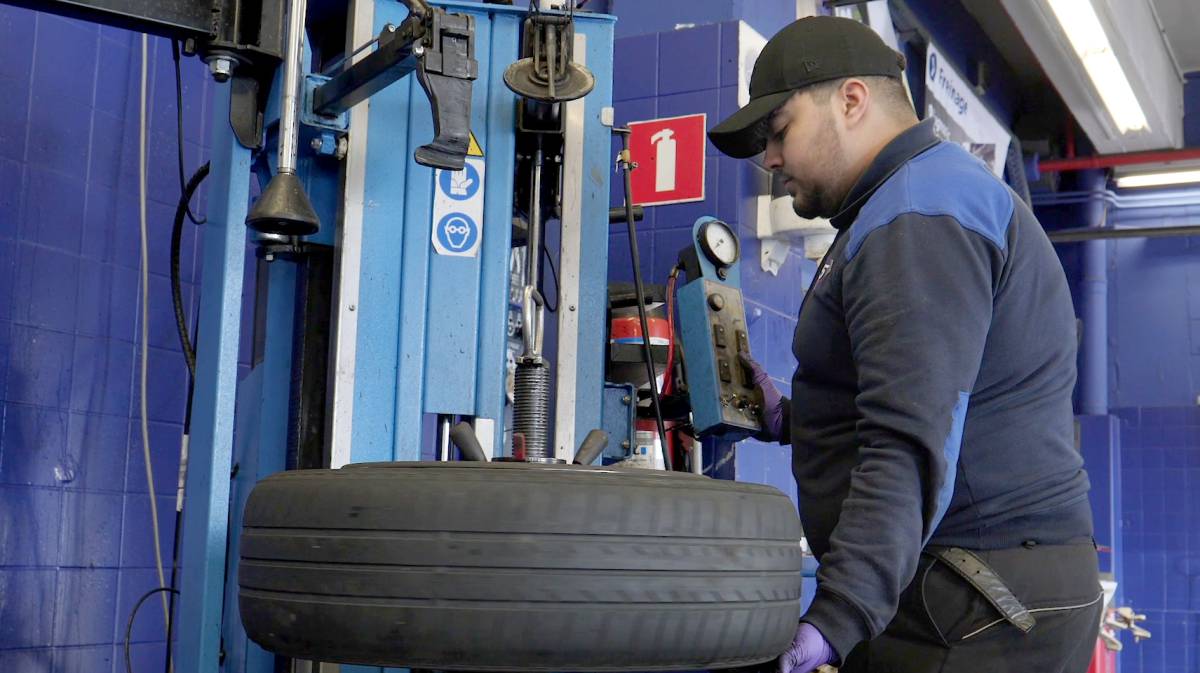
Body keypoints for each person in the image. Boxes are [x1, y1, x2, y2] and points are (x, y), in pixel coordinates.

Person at [708, 15, 1103, 673]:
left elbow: (909, 441)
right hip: (993, 585)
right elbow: (943, 396)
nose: (770, 160)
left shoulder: (918, 215)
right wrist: (793, 420)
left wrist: (836, 619)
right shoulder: (916, 200)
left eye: (780, 133)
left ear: (852, 100)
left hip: (975, 597)